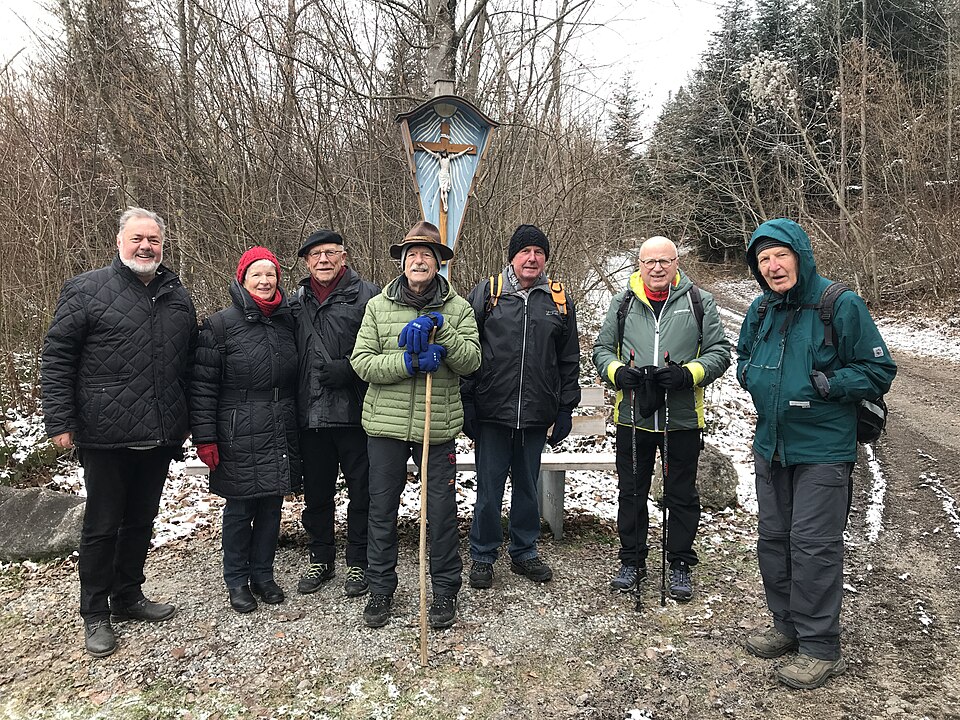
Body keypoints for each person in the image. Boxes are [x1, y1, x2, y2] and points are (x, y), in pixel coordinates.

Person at [737, 218, 896, 689]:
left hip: (823, 449)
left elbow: (878, 368)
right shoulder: (761, 310)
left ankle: (819, 645)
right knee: (774, 539)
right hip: (771, 445)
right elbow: (745, 357)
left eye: (780, 255)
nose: (772, 265)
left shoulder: (838, 304)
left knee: (813, 546)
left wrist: (830, 384)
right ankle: (786, 626)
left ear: (800, 256)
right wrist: (752, 379)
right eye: (763, 259)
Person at [41, 207, 197, 658]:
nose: (146, 247)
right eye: (137, 239)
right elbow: (57, 359)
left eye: (154, 240)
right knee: (101, 526)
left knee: (142, 520)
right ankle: (94, 613)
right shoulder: (86, 289)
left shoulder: (176, 294)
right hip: (104, 432)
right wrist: (61, 420)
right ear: (119, 242)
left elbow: (187, 364)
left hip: (160, 432)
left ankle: (127, 595)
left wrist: (186, 420)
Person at [350, 220, 480, 629]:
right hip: (385, 428)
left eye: (427, 254)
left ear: (439, 263)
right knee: (381, 509)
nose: (419, 260)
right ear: (403, 262)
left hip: (436, 427)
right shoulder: (378, 306)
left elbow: (473, 361)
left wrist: (443, 335)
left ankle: (444, 591)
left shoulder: (457, 308)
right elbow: (362, 362)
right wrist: (406, 363)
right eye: (412, 254)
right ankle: (380, 589)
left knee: (440, 512)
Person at [592, 236, 730, 602]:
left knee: (681, 495)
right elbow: (602, 349)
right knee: (631, 493)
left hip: (681, 418)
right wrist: (617, 372)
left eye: (664, 261)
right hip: (632, 416)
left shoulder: (699, 302)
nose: (656, 268)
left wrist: (690, 374)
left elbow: (720, 352)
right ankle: (632, 560)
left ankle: (680, 563)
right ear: (639, 264)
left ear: (675, 263)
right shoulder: (622, 304)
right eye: (649, 261)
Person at [461, 224, 581, 589]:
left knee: (527, 487)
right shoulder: (488, 294)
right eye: (525, 251)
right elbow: (466, 351)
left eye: (539, 252)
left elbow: (568, 360)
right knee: (488, 489)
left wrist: (565, 408)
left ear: (546, 258)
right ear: (511, 256)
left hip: (534, 415)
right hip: (492, 413)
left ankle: (524, 551)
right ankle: (482, 554)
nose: (532, 258)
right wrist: (467, 402)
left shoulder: (558, 301)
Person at [190, 247, 301, 614]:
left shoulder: (288, 322)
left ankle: (263, 575)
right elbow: (203, 386)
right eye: (257, 275)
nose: (265, 281)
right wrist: (205, 437)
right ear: (243, 279)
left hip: (280, 423)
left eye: (271, 275)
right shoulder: (220, 325)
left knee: (271, 507)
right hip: (237, 426)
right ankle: (236, 580)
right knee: (240, 511)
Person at [293, 229, 379, 598]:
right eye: (315, 255)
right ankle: (321, 557)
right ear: (307, 262)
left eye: (330, 252)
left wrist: (351, 368)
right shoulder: (294, 300)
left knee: (362, 493)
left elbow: (382, 347)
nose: (323, 260)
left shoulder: (369, 296)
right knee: (317, 493)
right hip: (310, 414)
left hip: (357, 413)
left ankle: (358, 561)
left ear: (344, 256)